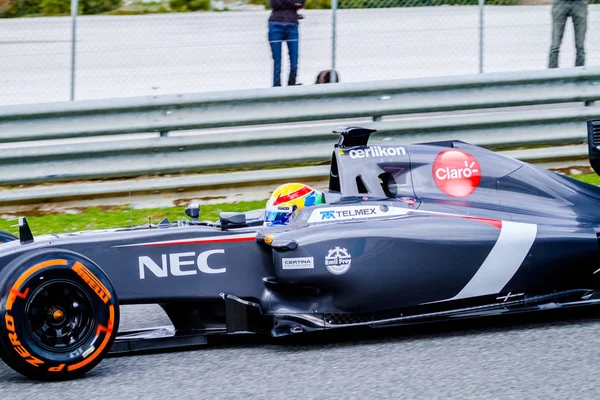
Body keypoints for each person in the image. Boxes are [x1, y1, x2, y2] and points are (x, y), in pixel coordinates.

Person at [268, 0, 305, 87]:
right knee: (277, 61)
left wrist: (285, 3)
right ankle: (276, 87)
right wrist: (291, 4)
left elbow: (300, 3)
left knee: (294, 61)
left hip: (292, 25)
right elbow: (274, 4)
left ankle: (291, 85)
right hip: (276, 25)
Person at [548, 0, 588, 68]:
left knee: (580, 46)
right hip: (560, 3)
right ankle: (552, 75)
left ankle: (580, 75)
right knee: (555, 46)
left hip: (580, 3)